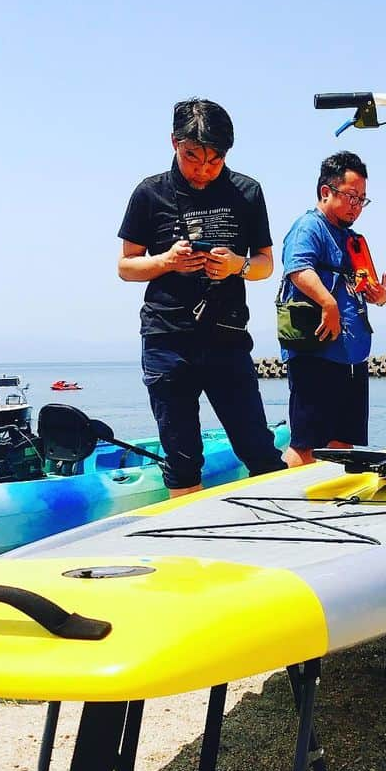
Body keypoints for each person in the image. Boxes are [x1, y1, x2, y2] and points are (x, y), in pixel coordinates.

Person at [117, 98, 285, 497]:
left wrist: (237, 266)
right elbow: (126, 267)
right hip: (166, 338)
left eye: (215, 160)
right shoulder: (149, 192)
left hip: (226, 337)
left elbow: (265, 264)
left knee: (258, 449)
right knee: (182, 458)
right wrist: (166, 261)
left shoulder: (247, 191)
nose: (204, 169)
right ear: (174, 143)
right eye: (194, 157)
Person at [278, 152, 386, 468]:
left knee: (343, 443)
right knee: (306, 445)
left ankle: (332, 503)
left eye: (362, 199)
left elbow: (363, 289)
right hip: (316, 353)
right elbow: (297, 268)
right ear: (326, 191)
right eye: (352, 196)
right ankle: (287, 501)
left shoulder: (352, 239)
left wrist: (379, 297)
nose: (357, 205)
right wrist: (328, 303)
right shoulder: (307, 228)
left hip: (351, 355)